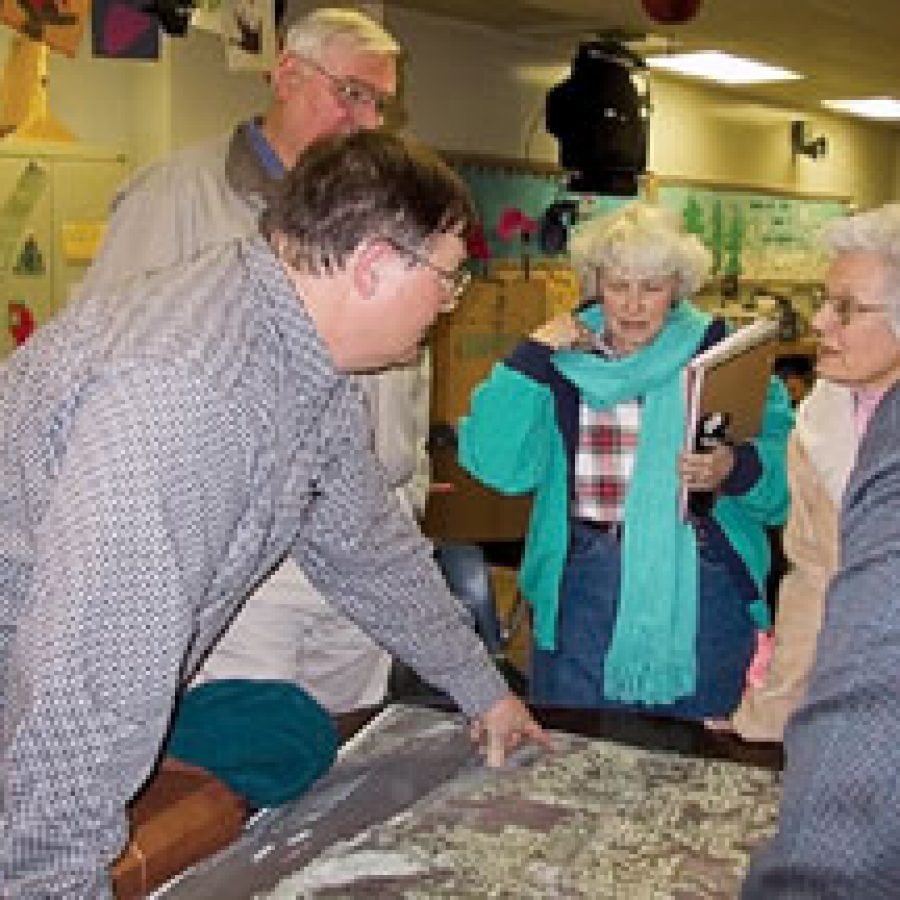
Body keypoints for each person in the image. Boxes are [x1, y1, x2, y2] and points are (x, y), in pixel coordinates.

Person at [0, 130, 549, 898]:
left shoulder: (293, 350)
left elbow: (367, 546)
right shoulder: (190, 393)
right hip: (31, 713)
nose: (448, 306)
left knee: (281, 724)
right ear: (374, 267)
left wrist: (481, 688)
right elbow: (86, 685)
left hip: (58, 692)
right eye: (449, 280)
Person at [81, 6, 420, 714]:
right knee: (243, 764)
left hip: (362, 540)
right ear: (288, 75)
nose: (366, 120)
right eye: (351, 93)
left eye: (380, 104)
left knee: (351, 756)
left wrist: (405, 492)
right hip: (245, 551)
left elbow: (399, 375)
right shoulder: (175, 197)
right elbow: (105, 368)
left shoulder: (381, 212)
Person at [458, 202, 793, 718]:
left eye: (652, 287)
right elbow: (496, 466)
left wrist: (734, 468)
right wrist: (530, 354)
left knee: (690, 770)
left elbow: (786, 489)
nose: (633, 305)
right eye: (618, 286)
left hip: (701, 592)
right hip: (581, 587)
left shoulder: (727, 355)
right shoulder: (561, 362)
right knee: (573, 758)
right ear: (596, 285)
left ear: (677, 288)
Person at [743, 204, 900, 896]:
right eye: (822, 301)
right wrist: (771, 715)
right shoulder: (823, 416)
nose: (821, 325)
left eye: (846, 307)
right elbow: (811, 581)